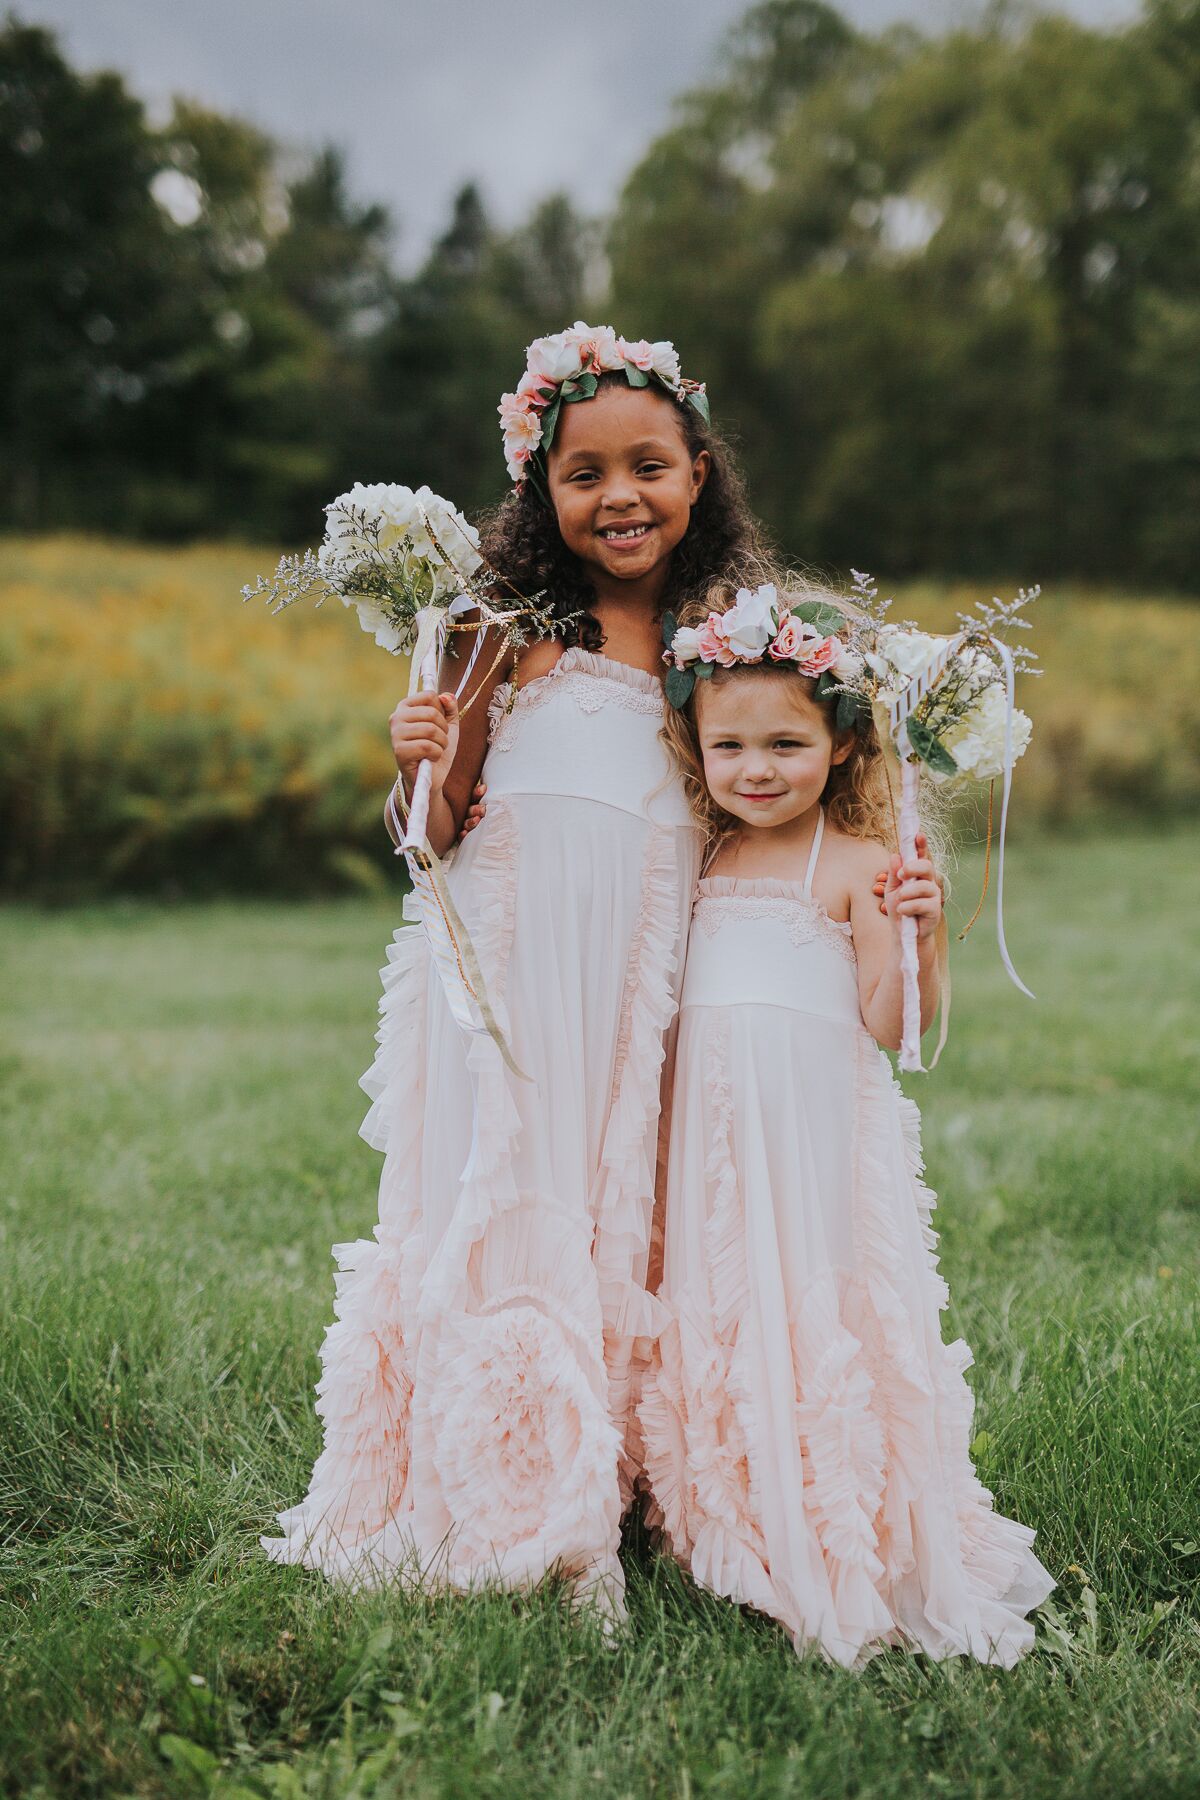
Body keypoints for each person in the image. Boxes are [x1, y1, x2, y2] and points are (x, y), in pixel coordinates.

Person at [260, 324, 768, 1621]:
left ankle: (611, 1482)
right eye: (584, 472)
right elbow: (423, 834)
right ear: (541, 492)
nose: (619, 495)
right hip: (511, 971)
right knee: (510, 1194)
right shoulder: (498, 630)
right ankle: (495, 1494)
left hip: (640, 979)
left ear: (698, 473)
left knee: (620, 1202)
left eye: (647, 464)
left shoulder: (721, 646)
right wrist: (415, 756)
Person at [640, 578, 1055, 1667]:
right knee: (721, 1297)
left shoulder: (862, 865)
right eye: (730, 747)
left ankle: (825, 1512)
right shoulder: (702, 856)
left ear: (841, 744)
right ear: (697, 747)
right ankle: (723, 1515)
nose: (757, 769)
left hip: (811, 1137)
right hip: (713, 1145)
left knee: (806, 1302)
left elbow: (887, 1026)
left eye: (785, 743)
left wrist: (918, 936)